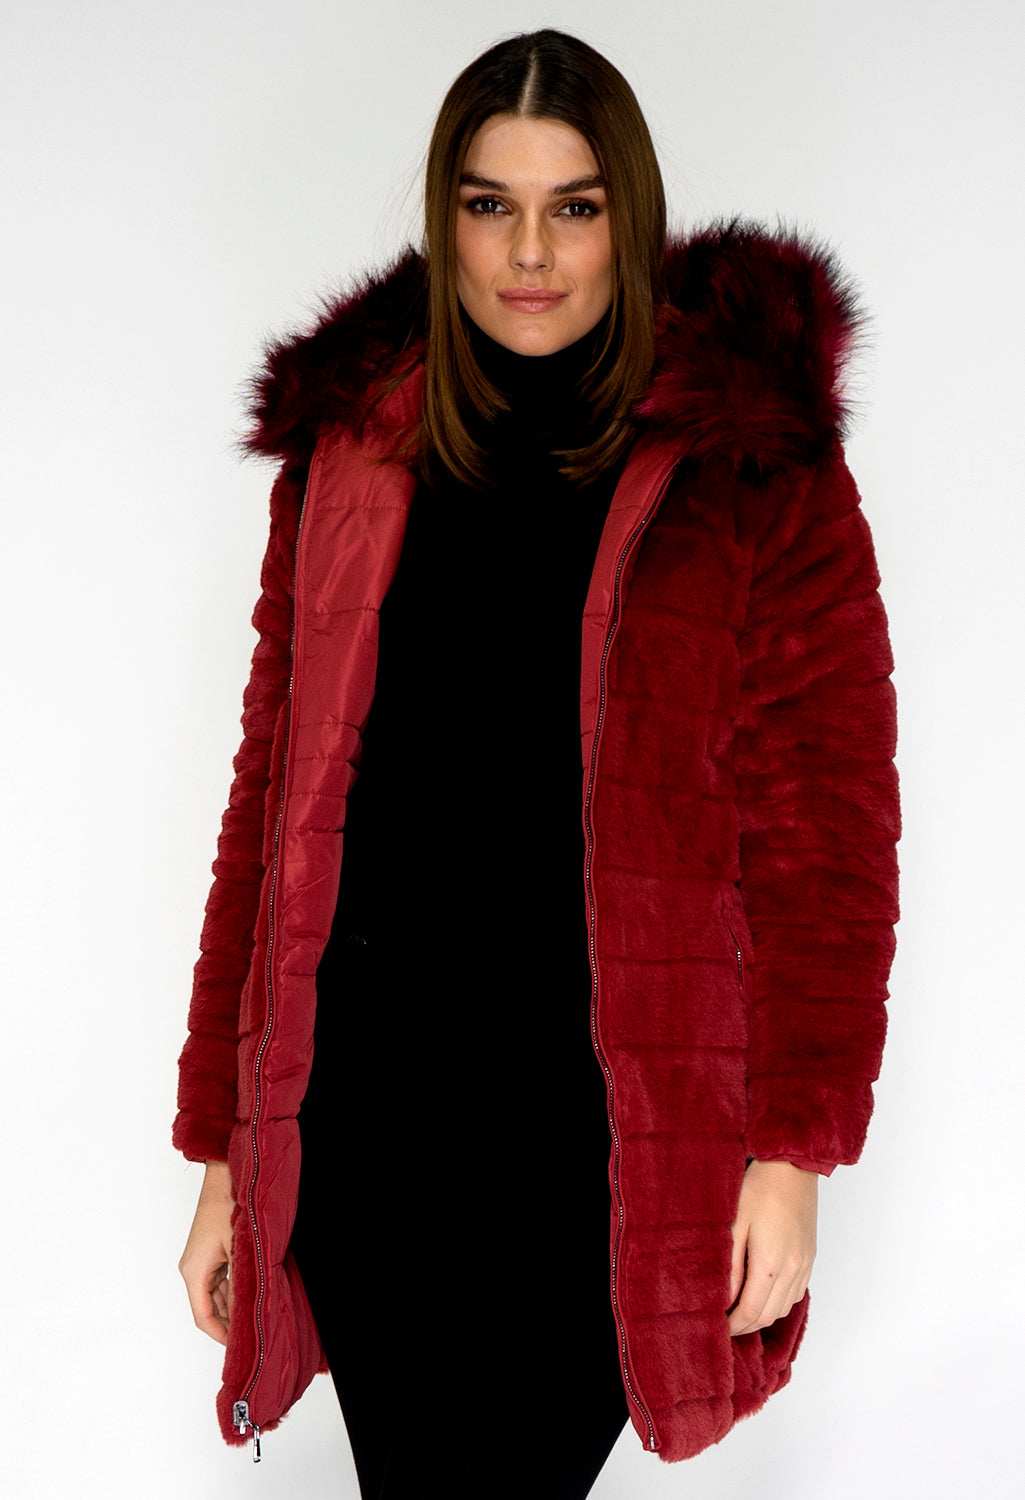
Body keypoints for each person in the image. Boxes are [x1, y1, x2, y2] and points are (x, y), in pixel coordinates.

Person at [175, 27, 899, 1500]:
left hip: (602, 1140)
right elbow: (268, 809)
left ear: (629, 214)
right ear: (441, 216)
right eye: (488, 204)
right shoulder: (349, 456)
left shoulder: (749, 468)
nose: (529, 252)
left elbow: (828, 835)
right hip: (375, 1114)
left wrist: (791, 1153)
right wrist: (224, 1157)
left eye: (573, 206)